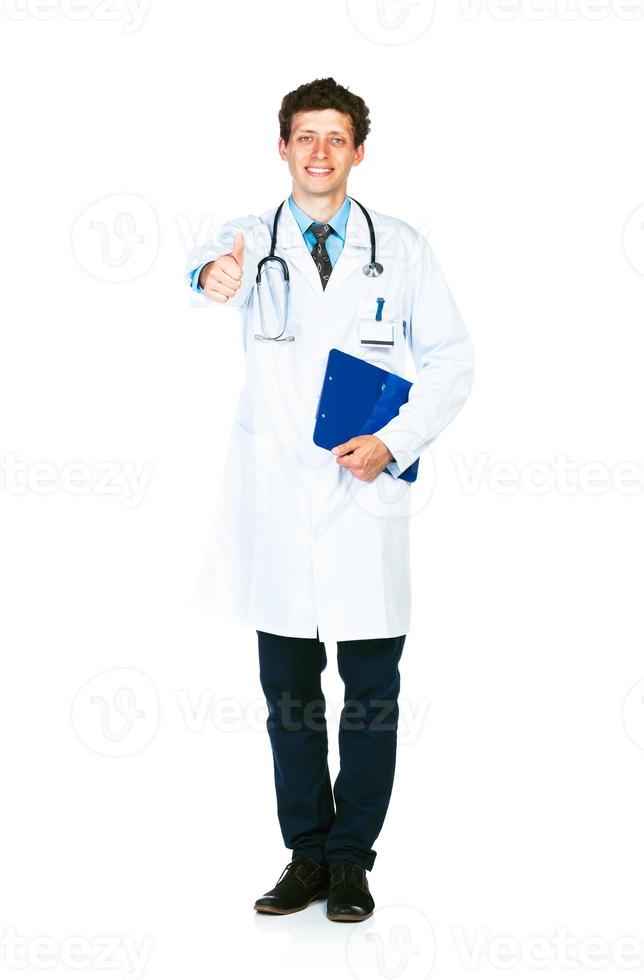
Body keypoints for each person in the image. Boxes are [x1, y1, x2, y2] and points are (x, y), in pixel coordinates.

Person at [185, 77, 474, 922]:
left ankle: (351, 861)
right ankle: (305, 854)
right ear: (281, 147)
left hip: (364, 495)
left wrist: (396, 442)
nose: (318, 152)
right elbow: (210, 279)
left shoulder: (405, 249)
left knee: (372, 694)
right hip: (276, 505)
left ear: (357, 151)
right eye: (304, 137)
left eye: (335, 138)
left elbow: (454, 360)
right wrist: (217, 272)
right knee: (290, 695)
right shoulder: (250, 237)